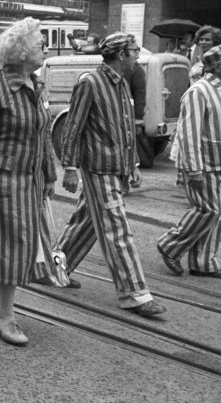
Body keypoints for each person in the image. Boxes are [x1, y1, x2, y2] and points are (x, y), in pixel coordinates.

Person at [55, 32, 166, 317]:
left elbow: (126, 130)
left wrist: (133, 167)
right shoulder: (89, 82)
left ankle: (53, 267)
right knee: (117, 228)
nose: (138, 55)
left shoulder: (121, 85)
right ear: (121, 54)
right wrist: (69, 167)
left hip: (116, 169)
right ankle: (135, 293)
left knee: (87, 221)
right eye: (134, 50)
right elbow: (73, 127)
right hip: (97, 168)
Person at [0, 17, 57, 346]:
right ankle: (6, 315)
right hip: (3, 183)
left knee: (19, 247)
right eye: (38, 42)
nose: (43, 47)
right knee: (12, 249)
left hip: (29, 182)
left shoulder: (35, 84)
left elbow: (42, 135)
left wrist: (49, 175)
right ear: (20, 51)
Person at [157, 45, 221, 280]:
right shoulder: (199, 91)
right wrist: (194, 168)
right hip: (202, 165)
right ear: (217, 66)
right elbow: (189, 133)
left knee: (217, 214)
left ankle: (203, 262)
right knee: (209, 210)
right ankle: (169, 245)